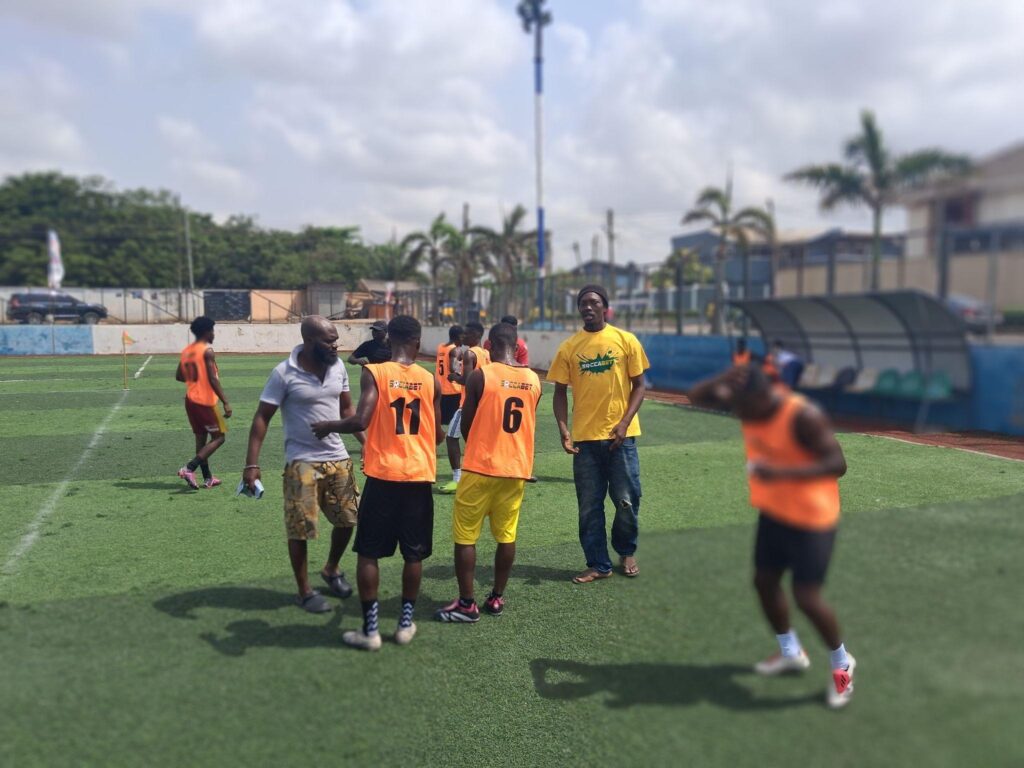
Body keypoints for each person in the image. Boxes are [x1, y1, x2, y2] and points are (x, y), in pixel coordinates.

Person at [687, 365, 856, 709]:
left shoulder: (802, 415)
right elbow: (697, 396)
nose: (738, 414)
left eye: (742, 407)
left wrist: (781, 472)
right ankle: (790, 652)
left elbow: (837, 464)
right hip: (775, 513)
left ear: (763, 396)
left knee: (806, 597)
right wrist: (725, 377)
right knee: (764, 582)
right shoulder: (750, 405)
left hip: (813, 519)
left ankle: (842, 664)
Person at [312, 315, 444, 651]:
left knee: (369, 552)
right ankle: (404, 624)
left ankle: (370, 631)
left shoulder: (374, 372)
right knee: (413, 555)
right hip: (418, 476)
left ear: (388, 340)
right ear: (418, 343)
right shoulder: (431, 381)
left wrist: (328, 425)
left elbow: (360, 420)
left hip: (384, 475)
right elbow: (438, 436)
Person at [243, 316, 364, 613]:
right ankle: (304, 591)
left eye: (336, 340)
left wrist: (367, 444)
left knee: (348, 520)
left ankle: (331, 568)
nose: (336, 346)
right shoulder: (283, 373)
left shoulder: (338, 367)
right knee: (300, 529)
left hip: (338, 458)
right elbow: (262, 417)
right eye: (329, 341)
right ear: (310, 341)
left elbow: (347, 409)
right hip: (301, 463)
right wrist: (251, 465)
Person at [436, 322, 541, 622]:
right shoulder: (534, 379)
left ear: (490, 345)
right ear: (516, 346)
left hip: (481, 466)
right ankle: (496, 597)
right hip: (516, 470)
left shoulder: (481, 376)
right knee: (506, 535)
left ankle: (467, 604)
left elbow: (467, 424)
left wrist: (482, 446)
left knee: (466, 536)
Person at [548, 285, 649, 584]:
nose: (588, 307)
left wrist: (624, 422)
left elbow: (640, 385)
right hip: (585, 442)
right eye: (583, 303)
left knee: (628, 500)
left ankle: (626, 551)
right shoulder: (569, 347)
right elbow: (559, 392)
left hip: (621, 438)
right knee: (589, 507)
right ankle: (598, 564)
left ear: (605, 307)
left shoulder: (625, 340)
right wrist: (564, 429)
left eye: (593, 302)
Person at [176, 316, 231, 490]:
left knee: (201, 439)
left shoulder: (187, 351)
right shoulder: (207, 352)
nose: (214, 334)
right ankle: (189, 468)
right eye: (212, 331)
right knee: (220, 437)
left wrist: (196, 378)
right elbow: (213, 379)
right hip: (206, 403)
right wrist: (226, 402)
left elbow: (179, 376)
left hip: (190, 401)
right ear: (206, 332)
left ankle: (207, 477)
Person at [438, 321, 490, 494]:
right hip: (484, 403)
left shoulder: (469, 353)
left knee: (451, 438)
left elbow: (467, 380)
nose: (463, 336)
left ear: (476, 335)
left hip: (468, 404)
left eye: (467, 334)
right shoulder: (486, 353)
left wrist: (454, 377)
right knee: (479, 440)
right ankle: (483, 474)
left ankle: (457, 479)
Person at [436, 324, 465, 483]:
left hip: (441, 391)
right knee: (459, 429)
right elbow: (453, 369)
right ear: (459, 336)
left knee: (437, 423)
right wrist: (462, 371)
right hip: (454, 392)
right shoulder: (456, 350)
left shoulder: (441, 346)